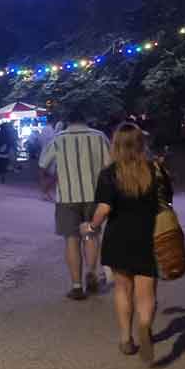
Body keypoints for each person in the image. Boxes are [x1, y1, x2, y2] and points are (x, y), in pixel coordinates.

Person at [83, 123, 172, 364]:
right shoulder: (155, 170)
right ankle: (144, 325)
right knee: (147, 292)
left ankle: (125, 339)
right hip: (148, 236)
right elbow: (167, 201)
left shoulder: (109, 174)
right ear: (141, 144)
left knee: (122, 289)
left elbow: (104, 208)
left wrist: (91, 227)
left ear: (116, 145)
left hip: (118, 238)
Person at [43, 109, 111, 301]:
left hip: (67, 197)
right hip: (94, 196)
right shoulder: (99, 137)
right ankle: (91, 271)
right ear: (85, 120)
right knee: (90, 234)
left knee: (71, 239)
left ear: (67, 121)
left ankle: (76, 286)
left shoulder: (58, 139)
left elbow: (43, 164)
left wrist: (48, 183)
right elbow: (110, 166)